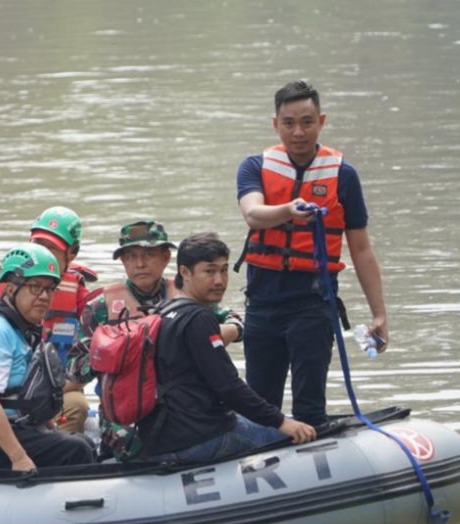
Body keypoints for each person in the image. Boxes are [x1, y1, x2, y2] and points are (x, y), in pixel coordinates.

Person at [235, 80, 388, 426]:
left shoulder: (343, 175)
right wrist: (289, 210)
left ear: (321, 121)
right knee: (261, 405)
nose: (298, 131)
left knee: (309, 405)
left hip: (313, 303)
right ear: (276, 125)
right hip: (261, 302)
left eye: (307, 121)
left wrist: (380, 315)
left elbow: (361, 249)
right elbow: (252, 214)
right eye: (288, 123)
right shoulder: (254, 167)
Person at [66, 220, 244, 460]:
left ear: (166, 258)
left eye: (149, 255)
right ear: (123, 261)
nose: (140, 264)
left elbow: (235, 320)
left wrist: (220, 333)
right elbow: (75, 370)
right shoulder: (100, 306)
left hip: (186, 404)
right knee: (138, 447)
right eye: (131, 256)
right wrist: (115, 354)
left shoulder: (188, 292)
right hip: (126, 411)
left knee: (229, 430)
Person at [135, 233, 316, 464]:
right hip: (198, 437)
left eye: (224, 270)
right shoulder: (198, 318)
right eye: (209, 271)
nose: (219, 280)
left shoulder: (163, 312)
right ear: (185, 273)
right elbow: (229, 387)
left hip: (161, 437)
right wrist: (282, 422)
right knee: (300, 434)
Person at [0, 243, 96, 471]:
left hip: (5, 429)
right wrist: (19, 458)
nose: (44, 296)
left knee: (84, 443)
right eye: (35, 287)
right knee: (76, 450)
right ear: (12, 289)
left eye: (50, 289)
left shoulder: (21, 327)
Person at [0, 206, 96, 433]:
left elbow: (87, 360)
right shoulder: (0, 279)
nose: (42, 253)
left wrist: (45, 394)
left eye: (51, 248)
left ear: (72, 253)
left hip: (54, 388)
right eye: (37, 244)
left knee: (77, 405)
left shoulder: (79, 295)